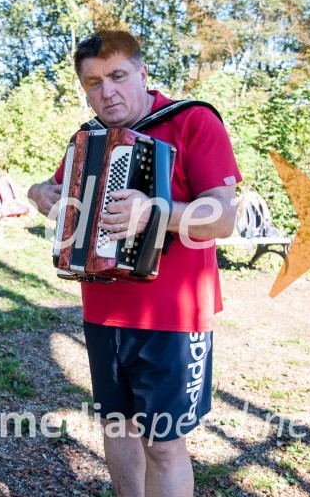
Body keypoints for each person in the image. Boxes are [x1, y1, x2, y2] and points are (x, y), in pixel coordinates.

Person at [28, 30, 241, 497]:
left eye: (118, 76)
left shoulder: (192, 120)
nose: (107, 91)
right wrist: (42, 194)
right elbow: (48, 187)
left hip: (174, 317)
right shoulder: (88, 137)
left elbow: (224, 217)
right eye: (94, 82)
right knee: (117, 428)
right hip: (102, 310)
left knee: (163, 445)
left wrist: (156, 213)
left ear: (142, 74)